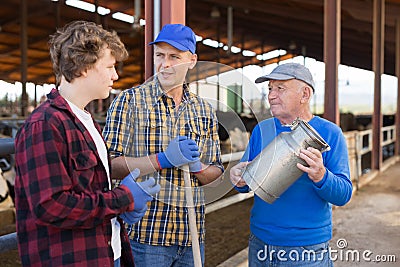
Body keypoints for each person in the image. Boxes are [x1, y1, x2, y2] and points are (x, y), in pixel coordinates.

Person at [14, 20, 160, 267]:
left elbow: (88, 194)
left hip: (104, 253)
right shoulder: (45, 125)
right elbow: (51, 206)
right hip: (70, 259)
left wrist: (121, 208)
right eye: (110, 66)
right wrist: (122, 198)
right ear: (84, 66)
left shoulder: (88, 122)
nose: (116, 75)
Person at [103, 23, 224, 266]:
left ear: (192, 60)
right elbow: (109, 165)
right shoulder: (130, 102)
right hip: (145, 237)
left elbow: (217, 173)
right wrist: (162, 160)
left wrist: (197, 167)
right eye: (160, 55)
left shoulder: (204, 110)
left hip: (191, 237)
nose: (165, 64)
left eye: (174, 57)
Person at [230, 63, 353, 266]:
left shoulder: (330, 133)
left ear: (304, 94)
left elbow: (343, 195)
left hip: (306, 249)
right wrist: (238, 179)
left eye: (280, 88)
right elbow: (246, 180)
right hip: (260, 243)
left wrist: (322, 176)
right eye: (270, 88)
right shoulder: (262, 129)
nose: (271, 95)